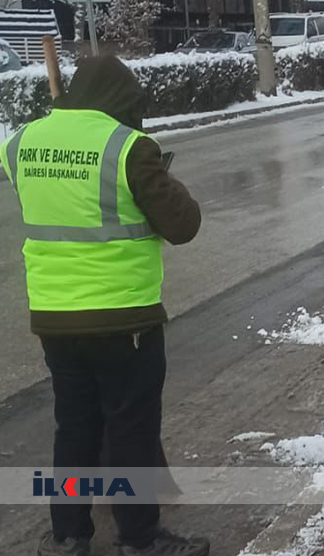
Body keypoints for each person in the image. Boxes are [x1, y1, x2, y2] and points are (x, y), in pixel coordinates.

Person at [0, 56, 207, 556]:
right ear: (123, 102)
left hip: (55, 319)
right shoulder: (130, 148)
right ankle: (139, 539)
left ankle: (68, 536)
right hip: (123, 320)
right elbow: (183, 224)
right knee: (131, 430)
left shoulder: (20, 142)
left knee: (73, 428)